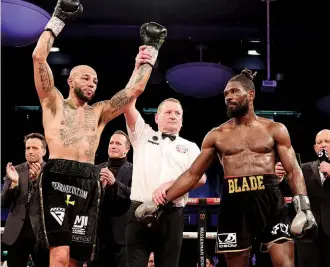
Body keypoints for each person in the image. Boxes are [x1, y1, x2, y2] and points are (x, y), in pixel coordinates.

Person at [31, 0, 167, 266]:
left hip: (88, 180)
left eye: (95, 80)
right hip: (57, 175)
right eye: (85, 78)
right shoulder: (53, 101)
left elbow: (133, 92)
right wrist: (57, 19)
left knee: (79, 259)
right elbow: (38, 57)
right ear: (70, 80)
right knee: (59, 254)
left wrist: (151, 51)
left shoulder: (100, 112)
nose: (92, 83)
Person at [162, 69, 317, 267]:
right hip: (234, 203)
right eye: (226, 94)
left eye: (234, 91)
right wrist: (161, 202)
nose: (228, 97)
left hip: (269, 200)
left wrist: (304, 207)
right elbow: (193, 173)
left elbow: (293, 170)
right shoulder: (216, 135)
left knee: (285, 264)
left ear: (250, 94)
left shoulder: (274, 129)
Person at [124, 97, 207, 267]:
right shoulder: (142, 135)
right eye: (168, 112)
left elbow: (201, 178)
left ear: (182, 120)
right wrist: (140, 71)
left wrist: (171, 184)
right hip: (139, 209)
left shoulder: (190, 147)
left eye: (178, 113)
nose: (173, 116)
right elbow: (128, 104)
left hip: (172, 213)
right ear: (156, 117)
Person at [275, 129, 330, 267]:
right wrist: (279, 178)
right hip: (308, 232)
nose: (323, 145)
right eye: (319, 142)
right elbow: (288, 193)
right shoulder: (302, 170)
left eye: (327, 141)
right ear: (315, 148)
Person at [1, 133, 49, 267]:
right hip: (17, 234)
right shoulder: (14, 171)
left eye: (35, 148)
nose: (30, 151)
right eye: (27, 148)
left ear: (44, 151)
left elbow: (54, 202)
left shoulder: (51, 172)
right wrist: (14, 184)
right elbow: (3, 202)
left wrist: (39, 181)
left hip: (41, 234)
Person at [96, 130, 133, 267]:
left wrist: (114, 183)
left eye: (118, 143)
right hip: (98, 235)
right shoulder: (96, 169)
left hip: (122, 237)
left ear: (127, 148)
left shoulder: (134, 171)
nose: (113, 146)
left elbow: (134, 195)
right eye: (111, 143)